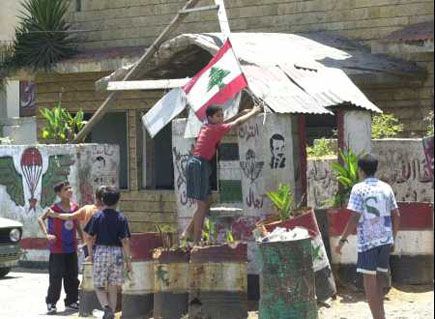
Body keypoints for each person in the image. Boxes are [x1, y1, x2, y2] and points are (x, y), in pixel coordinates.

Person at [182, 104, 262, 244]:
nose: (221, 118)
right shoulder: (216, 129)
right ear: (210, 117)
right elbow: (236, 123)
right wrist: (254, 111)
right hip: (198, 164)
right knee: (202, 206)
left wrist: (242, 112)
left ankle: (188, 232)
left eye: (222, 115)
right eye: (218, 115)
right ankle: (196, 242)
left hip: (199, 164)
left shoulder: (210, 127)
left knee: (207, 202)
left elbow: (227, 122)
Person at [335, 153, 400, 319]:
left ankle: (377, 317)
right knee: (379, 279)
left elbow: (355, 217)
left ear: (360, 170)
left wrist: (342, 240)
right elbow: (396, 215)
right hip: (385, 238)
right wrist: (393, 238)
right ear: (375, 169)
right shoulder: (386, 188)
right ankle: (381, 316)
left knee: (369, 281)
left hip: (368, 241)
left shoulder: (358, 189)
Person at [84, 186, 133, 319]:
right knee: (113, 286)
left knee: (99, 285)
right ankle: (110, 312)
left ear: (102, 201)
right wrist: (128, 261)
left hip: (101, 251)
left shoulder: (97, 216)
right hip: (117, 253)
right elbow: (125, 241)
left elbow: (89, 237)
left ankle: (106, 309)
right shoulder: (121, 218)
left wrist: (90, 254)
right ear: (117, 201)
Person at [37, 181, 82, 314]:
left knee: (72, 276)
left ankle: (72, 301)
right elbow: (40, 219)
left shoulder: (75, 207)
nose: (69, 190)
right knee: (56, 277)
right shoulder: (53, 209)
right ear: (58, 193)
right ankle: (51, 303)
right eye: (65, 189)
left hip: (71, 247)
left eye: (70, 188)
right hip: (57, 248)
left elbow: (77, 225)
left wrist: (82, 241)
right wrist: (47, 234)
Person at [48, 185, 107, 258]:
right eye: (66, 189)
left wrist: (56, 215)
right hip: (105, 247)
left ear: (95, 196)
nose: (69, 190)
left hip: (88, 246)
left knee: (88, 268)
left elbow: (70, 216)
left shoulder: (86, 209)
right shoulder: (109, 213)